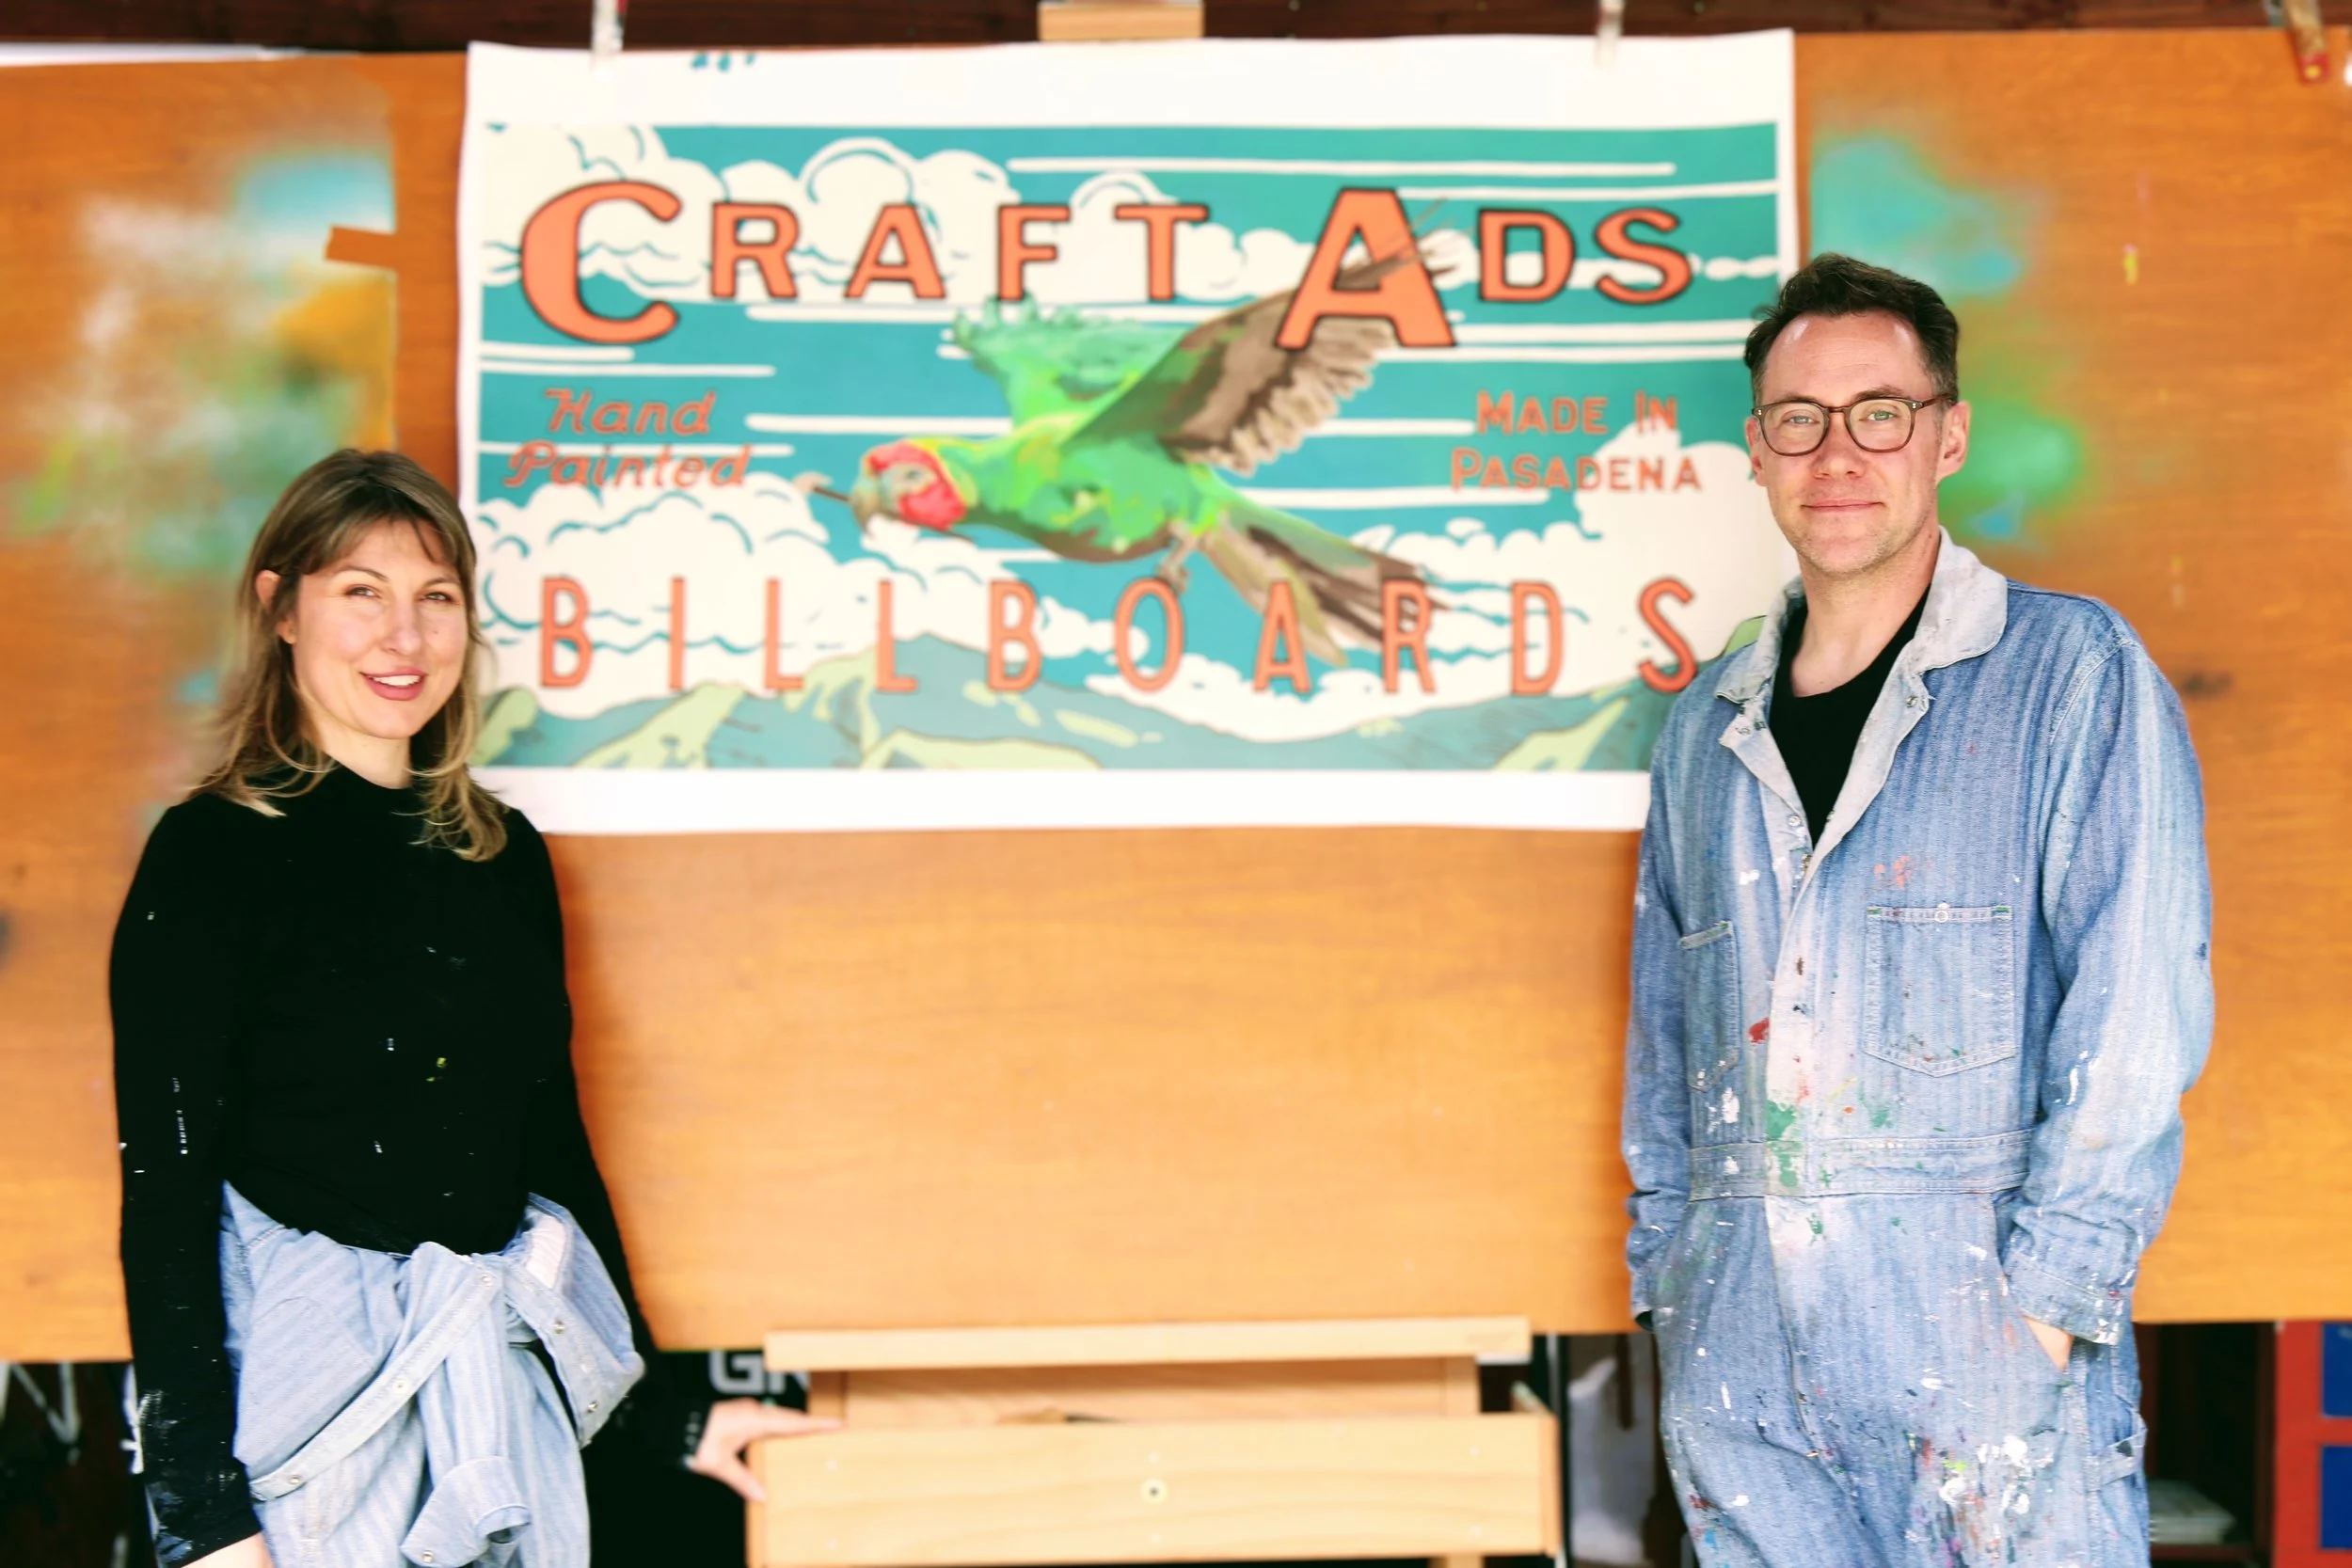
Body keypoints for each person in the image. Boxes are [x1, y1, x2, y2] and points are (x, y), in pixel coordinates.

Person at [111, 450, 833, 1568]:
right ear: (280, 608)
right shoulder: (209, 856)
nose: (403, 638)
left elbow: (548, 1154)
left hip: (495, 1405)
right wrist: (204, 1516)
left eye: (435, 598)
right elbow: (166, 1191)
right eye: (361, 592)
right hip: (311, 1431)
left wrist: (672, 1413)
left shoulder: (502, 858)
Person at [1620, 256, 2211, 1566]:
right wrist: (1673, 1288)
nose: (1838, 453)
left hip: (1980, 1347)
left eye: (1879, 411)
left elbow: (2135, 1018)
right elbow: (1665, 1051)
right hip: (1742, 1369)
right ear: (1757, 452)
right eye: (1799, 419)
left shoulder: (2072, 679)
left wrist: (2043, 1314)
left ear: (1947, 434)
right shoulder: (1703, 732)